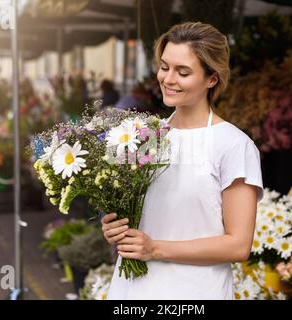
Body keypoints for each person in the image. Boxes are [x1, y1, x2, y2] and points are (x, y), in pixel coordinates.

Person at [101, 22, 264, 300]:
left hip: (195, 293)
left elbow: (238, 246)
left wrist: (155, 249)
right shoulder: (145, 137)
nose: (168, 79)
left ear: (212, 79)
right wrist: (115, 228)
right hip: (133, 290)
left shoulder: (234, 145)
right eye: (164, 67)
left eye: (183, 72)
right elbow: (145, 218)